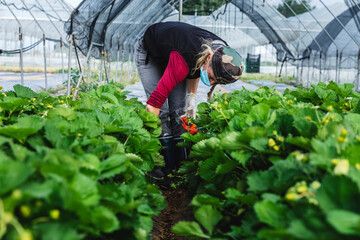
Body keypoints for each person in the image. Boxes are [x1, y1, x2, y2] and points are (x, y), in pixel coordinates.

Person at [135, 21, 244, 177]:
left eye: (216, 82)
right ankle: (161, 165)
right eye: (212, 78)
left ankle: (180, 167)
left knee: (179, 110)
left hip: (178, 52)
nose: (211, 83)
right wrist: (147, 141)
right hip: (151, 52)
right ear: (208, 59)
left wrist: (191, 98)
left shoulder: (222, 53)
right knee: (162, 111)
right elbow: (153, 106)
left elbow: (196, 70)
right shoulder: (184, 60)